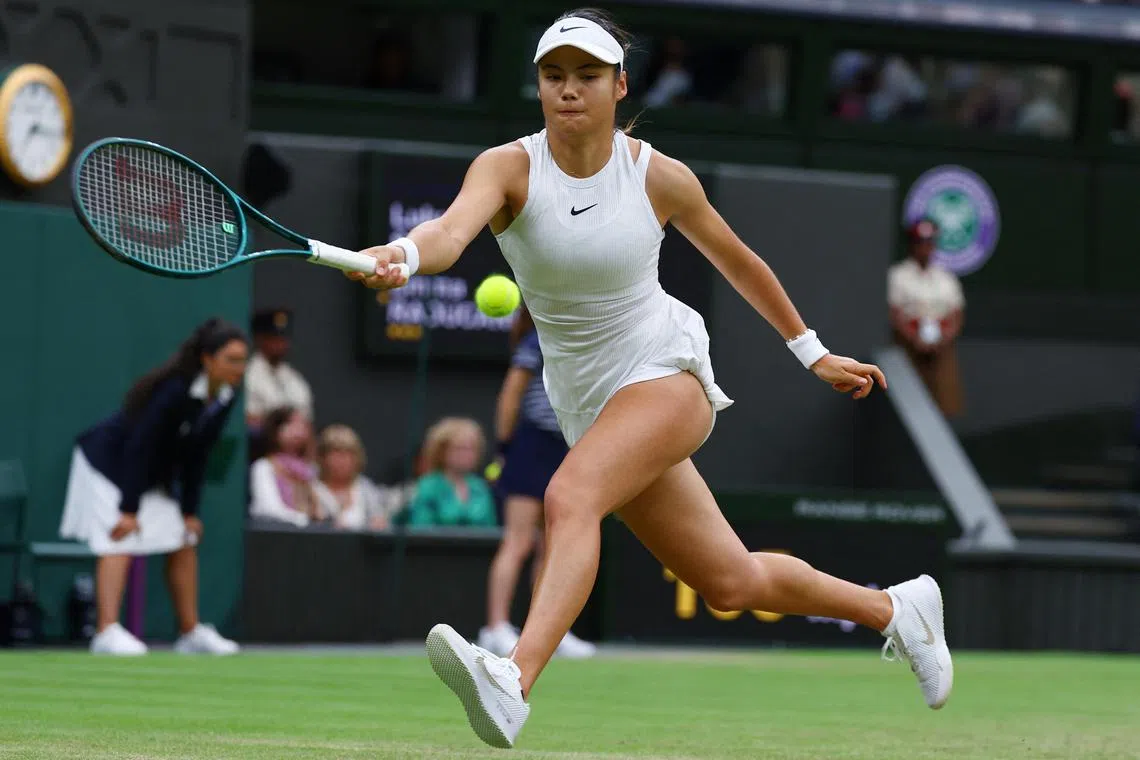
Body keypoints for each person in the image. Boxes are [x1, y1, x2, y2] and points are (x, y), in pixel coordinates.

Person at [348, 8, 951, 749]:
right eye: (554, 75)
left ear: (618, 85)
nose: (569, 90)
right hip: (589, 402)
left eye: (587, 76)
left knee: (569, 495)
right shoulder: (506, 167)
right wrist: (405, 256)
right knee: (731, 583)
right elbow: (446, 232)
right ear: (539, 87)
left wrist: (813, 353)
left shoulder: (656, 175)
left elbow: (740, 262)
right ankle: (897, 610)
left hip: (666, 372)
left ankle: (514, 679)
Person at [59, 318, 247, 656]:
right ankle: (105, 632)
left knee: (183, 537)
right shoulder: (175, 390)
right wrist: (129, 509)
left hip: (147, 472)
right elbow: (140, 447)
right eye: (231, 360)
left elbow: (198, 455)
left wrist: (190, 512)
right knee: (119, 534)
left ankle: (190, 634)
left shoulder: (227, 394)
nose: (239, 368)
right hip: (107, 462)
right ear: (207, 359)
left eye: (243, 360)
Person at [478, 306, 595, 659]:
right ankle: (495, 627)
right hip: (532, 445)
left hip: (568, 445)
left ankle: (548, 633)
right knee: (518, 542)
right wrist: (505, 445)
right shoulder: (537, 339)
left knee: (552, 547)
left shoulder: (582, 342)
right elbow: (511, 394)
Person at [888, 218, 966, 417]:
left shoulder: (946, 277)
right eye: (920, 242)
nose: (925, 248)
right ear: (912, 244)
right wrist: (914, 338)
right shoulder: (898, 275)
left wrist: (944, 338)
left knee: (944, 403)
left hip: (941, 348)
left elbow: (956, 314)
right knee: (908, 406)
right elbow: (894, 314)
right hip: (909, 348)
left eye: (930, 242)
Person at [405, 418, 497, 529]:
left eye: (472, 449)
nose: (466, 455)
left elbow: (491, 528)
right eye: (460, 448)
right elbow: (420, 528)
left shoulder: (481, 488)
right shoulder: (428, 486)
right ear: (442, 451)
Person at [244, 309, 314, 433]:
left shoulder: (294, 378)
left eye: (283, 338)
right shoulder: (248, 375)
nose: (280, 344)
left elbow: (308, 423)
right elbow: (249, 421)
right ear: (260, 339)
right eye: (274, 338)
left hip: (295, 448)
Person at [248, 406, 318, 528]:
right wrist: (303, 520)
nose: (298, 430)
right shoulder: (263, 467)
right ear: (275, 430)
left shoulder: (311, 469)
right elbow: (267, 509)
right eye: (290, 424)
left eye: (302, 425)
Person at [312, 424, 391, 531]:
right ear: (322, 457)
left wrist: (378, 524)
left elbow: (381, 522)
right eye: (336, 453)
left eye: (348, 453)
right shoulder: (311, 489)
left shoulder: (366, 489)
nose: (342, 460)